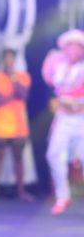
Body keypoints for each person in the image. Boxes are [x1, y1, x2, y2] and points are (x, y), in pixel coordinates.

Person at [42, 29, 84, 214]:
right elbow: (54, 89)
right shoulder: (58, 66)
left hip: (81, 119)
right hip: (63, 119)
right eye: (69, 47)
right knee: (53, 154)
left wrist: (76, 104)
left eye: (77, 47)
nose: (72, 51)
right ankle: (62, 196)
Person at [0, 48, 33, 201]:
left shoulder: (23, 77)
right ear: (2, 61)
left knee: (18, 158)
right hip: (0, 126)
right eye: (6, 58)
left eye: (11, 58)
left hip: (19, 127)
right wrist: (12, 96)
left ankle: (21, 191)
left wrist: (14, 82)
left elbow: (23, 95)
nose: (9, 61)